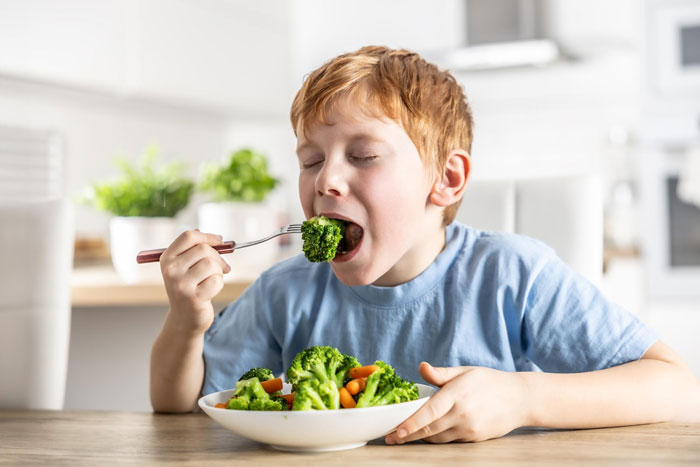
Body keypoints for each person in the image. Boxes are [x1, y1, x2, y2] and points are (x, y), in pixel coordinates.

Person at [150, 45, 700, 443]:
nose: (325, 181)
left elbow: (678, 389)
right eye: (311, 160)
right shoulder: (284, 290)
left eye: (362, 155)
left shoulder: (511, 275)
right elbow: (179, 409)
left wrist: (523, 397)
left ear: (447, 180)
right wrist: (187, 321)